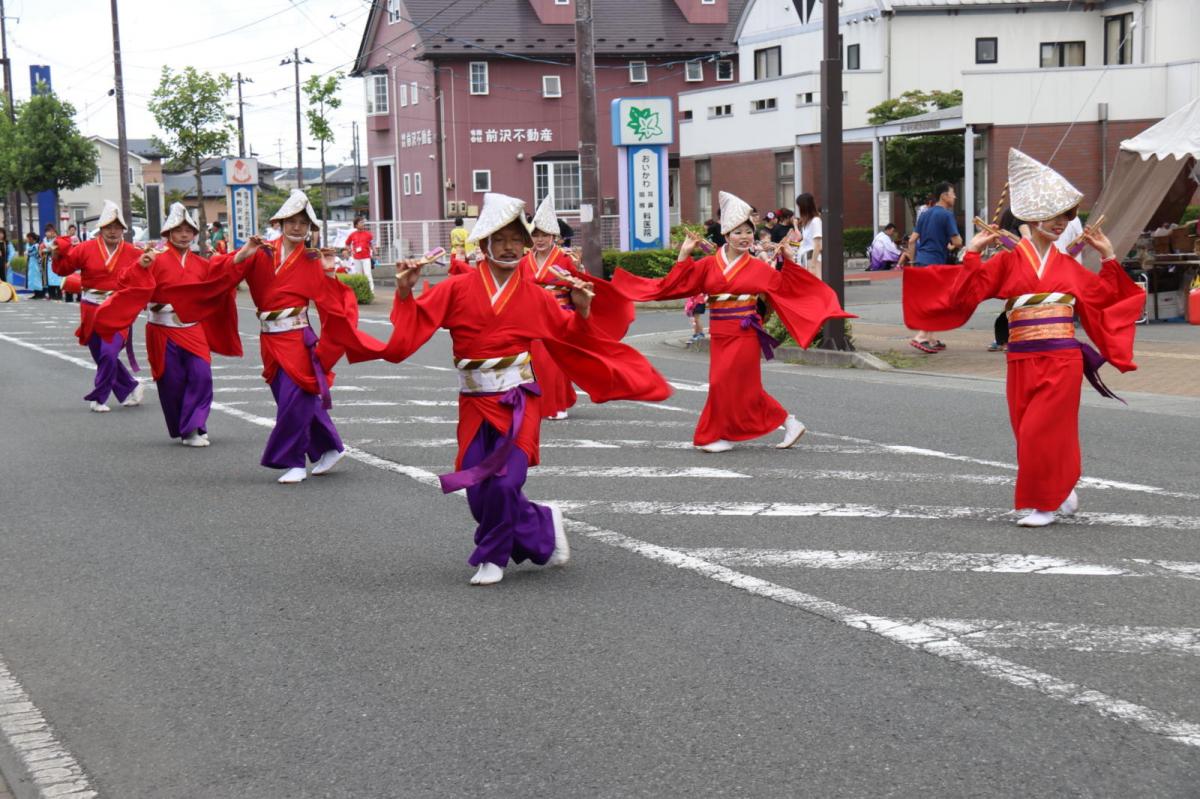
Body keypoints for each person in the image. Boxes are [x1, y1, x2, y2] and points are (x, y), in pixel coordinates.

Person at [380, 192, 671, 586]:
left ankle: (493, 556)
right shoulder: (456, 289)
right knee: (476, 486)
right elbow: (408, 334)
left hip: (518, 400)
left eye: (516, 239)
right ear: (484, 244)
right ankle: (540, 522)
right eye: (499, 239)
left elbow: (572, 337)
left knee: (504, 481)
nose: (509, 246)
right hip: (473, 403)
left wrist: (583, 311)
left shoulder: (534, 295)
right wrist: (403, 292)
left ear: (525, 242)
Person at [903, 149, 1144, 528]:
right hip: (1020, 359)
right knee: (1026, 429)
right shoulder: (1007, 261)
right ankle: (1061, 488)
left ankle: (1044, 504)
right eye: (1056, 215)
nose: (1063, 223)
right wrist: (971, 253)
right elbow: (964, 296)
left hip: (1062, 358)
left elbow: (1108, 300)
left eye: (1068, 216)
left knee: (1040, 431)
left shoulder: (1068, 266)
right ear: (1032, 217)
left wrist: (1110, 258)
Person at [161, 189, 385, 484]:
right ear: (280, 223)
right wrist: (244, 253)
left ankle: (291, 461)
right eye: (291, 221)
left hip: (297, 337)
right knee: (292, 398)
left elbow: (332, 302)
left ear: (309, 228)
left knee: (295, 398)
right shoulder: (262, 252)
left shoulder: (312, 259)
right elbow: (223, 274)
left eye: (303, 223)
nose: (297, 227)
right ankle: (330, 447)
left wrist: (330, 275)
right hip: (269, 337)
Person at [613, 191, 854, 453]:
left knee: (722, 384)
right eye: (737, 233)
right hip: (719, 334)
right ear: (726, 236)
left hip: (745, 332)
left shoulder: (759, 268)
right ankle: (787, 422)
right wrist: (683, 256)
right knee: (740, 387)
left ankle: (713, 435)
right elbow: (674, 286)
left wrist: (790, 259)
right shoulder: (707, 265)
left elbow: (789, 288)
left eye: (748, 232)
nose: (744, 237)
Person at [93, 203, 242, 447]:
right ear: (168, 233)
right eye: (178, 229)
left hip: (193, 328)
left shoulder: (202, 264)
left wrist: (243, 255)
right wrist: (141, 264)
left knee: (201, 375)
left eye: (188, 230)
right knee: (171, 382)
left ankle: (194, 425)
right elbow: (124, 280)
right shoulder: (155, 258)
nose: (184, 234)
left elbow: (224, 277)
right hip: (161, 330)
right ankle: (187, 429)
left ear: (195, 234)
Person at [522, 194, 635, 421]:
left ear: (554, 236)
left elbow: (582, 284)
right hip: (534, 316)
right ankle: (547, 400)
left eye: (544, 235)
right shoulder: (524, 261)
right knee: (536, 362)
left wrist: (578, 273)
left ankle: (556, 404)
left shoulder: (565, 259)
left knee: (554, 361)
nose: (540, 239)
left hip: (561, 315)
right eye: (535, 235)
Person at [50, 201, 145, 412]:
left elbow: (148, 276)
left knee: (109, 353)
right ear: (100, 229)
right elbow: (64, 268)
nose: (113, 232)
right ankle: (131, 385)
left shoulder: (134, 252)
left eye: (117, 227)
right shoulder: (85, 248)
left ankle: (99, 397)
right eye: (108, 227)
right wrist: (56, 254)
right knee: (100, 354)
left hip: (118, 309)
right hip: (91, 307)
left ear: (123, 230)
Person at [908, 181, 964, 353]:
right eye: (952, 193)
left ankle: (931, 339)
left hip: (921, 262)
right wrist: (952, 246)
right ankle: (921, 336)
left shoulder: (924, 213)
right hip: (935, 263)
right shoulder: (946, 215)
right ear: (944, 196)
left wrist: (912, 261)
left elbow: (912, 239)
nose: (955, 196)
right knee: (936, 301)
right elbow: (958, 241)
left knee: (929, 299)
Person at [791, 193, 823, 276]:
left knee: (816, 286)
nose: (798, 209)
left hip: (811, 258)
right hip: (805, 257)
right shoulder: (807, 222)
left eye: (799, 206)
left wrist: (813, 265)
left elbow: (818, 245)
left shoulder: (815, 221)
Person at [344, 216, 375, 292]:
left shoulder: (368, 234)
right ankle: (361, 291)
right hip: (356, 257)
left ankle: (371, 291)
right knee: (359, 275)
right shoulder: (352, 234)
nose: (362, 224)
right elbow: (347, 244)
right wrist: (349, 250)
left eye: (363, 222)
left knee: (368, 274)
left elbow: (372, 243)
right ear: (356, 225)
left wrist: (375, 252)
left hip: (366, 257)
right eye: (360, 222)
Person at [43, 224, 63, 300]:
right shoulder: (45, 240)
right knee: (50, 279)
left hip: (56, 261)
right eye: (47, 232)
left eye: (50, 232)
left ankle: (59, 295)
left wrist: (48, 249)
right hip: (48, 262)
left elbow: (51, 247)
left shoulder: (57, 240)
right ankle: (52, 294)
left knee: (57, 279)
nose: (49, 233)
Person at [24, 233, 45, 299]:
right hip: (32, 263)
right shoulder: (30, 245)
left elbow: (30, 252)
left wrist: (27, 252)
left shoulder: (36, 245)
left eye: (28, 238)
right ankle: (36, 293)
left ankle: (40, 294)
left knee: (37, 278)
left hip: (36, 264)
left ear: (31, 238)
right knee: (33, 278)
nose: (27, 239)